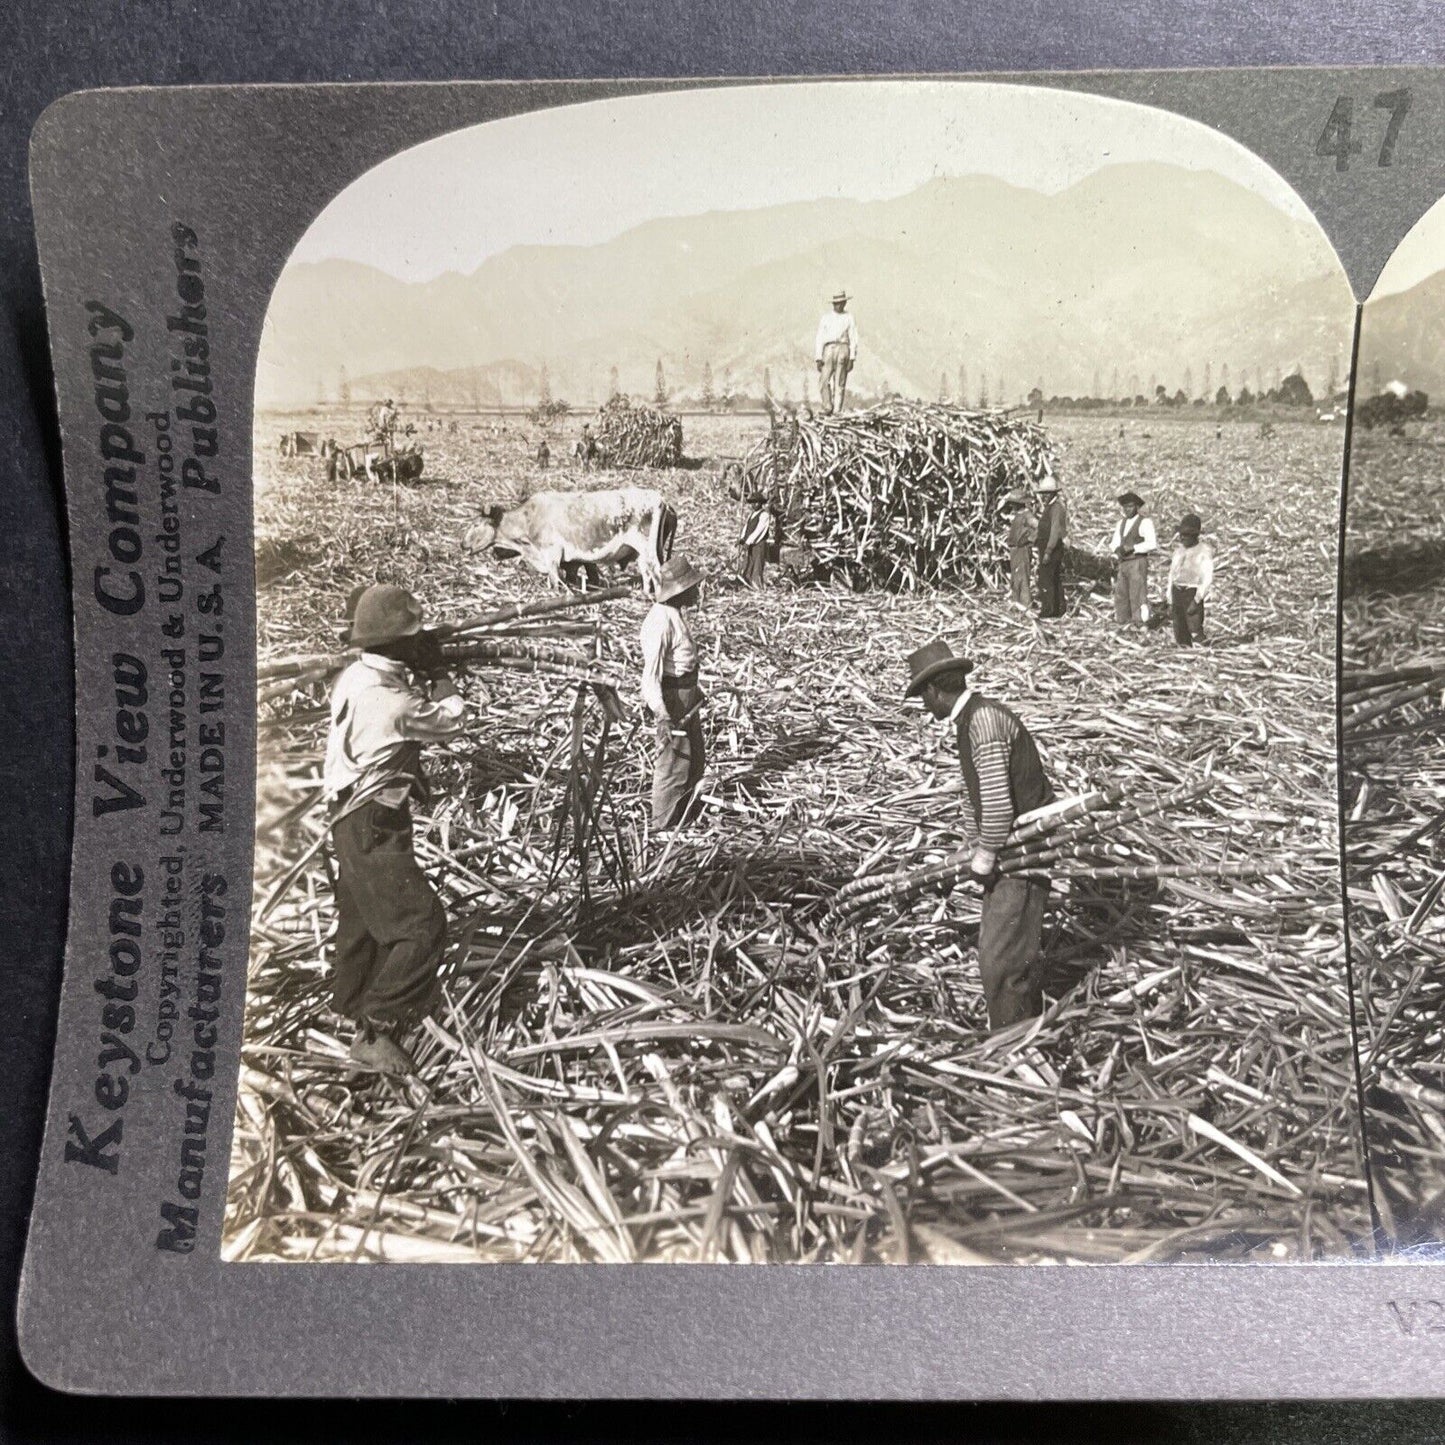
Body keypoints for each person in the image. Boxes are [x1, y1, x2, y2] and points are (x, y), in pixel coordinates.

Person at [323, 584, 483, 1073]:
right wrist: (437, 673)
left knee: (364, 920)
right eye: (415, 637)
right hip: (373, 821)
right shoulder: (395, 704)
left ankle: (347, 1004)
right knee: (421, 925)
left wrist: (418, 663)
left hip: (347, 817)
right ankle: (377, 1027)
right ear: (399, 645)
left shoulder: (354, 676)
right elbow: (454, 720)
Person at [904, 640, 1055, 1030]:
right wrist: (970, 850)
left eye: (924, 696)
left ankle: (1012, 1050)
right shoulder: (970, 720)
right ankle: (1018, 1034)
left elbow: (1000, 806)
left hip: (1024, 853)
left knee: (1000, 961)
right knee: (1003, 954)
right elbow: (977, 799)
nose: (924, 705)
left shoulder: (984, 721)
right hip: (1007, 850)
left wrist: (984, 855)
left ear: (936, 690)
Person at [640, 556, 707, 831]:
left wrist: (695, 689)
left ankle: (684, 816)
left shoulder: (674, 615)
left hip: (686, 697)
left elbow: (680, 664)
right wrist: (662, 716)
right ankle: (662, 826)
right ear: (680, 590)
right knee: (673, 764)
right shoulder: (660, 622)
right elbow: (650, 676)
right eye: (692, 587)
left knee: (695, 759)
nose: (696, 591)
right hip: (672, 702)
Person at [1109, 490, 1157, 626]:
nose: (1127, 510)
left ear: (1136, 507)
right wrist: (1115, 550)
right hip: (1123, 562)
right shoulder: (1121, 524)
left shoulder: (1145, 522)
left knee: (1138, 594)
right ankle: (1123, 622)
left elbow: (1152, 544)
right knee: (1121, 594)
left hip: (1137, 561)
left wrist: (1133, 548)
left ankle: (1140, 623)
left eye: (1130, 506)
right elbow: (1114, 542)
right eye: (1125, 507)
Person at [1167, 513, 1214, 647]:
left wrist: (1197, 599)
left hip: (1191, 592)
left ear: (1195, 536)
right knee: (1180, 630)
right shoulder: (1178, 552)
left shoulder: (1203, 551)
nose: (1182, 537)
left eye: (1187, 534)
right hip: (1177, 591)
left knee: (1194, 628)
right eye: (1181, 534)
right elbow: (1171, 575)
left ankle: (1202, 654)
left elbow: (1207, 578)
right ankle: (1184, 655)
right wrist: (1170, 600)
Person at [814, 289, 858, 415]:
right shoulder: (826, 318)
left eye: (841, 303)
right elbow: (820, 337)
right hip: (828, 348)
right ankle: (827, 406)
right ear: (833, 304)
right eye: (836, 303)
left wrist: (852, 358)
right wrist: (818, 357)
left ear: (844, 303)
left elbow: (853, 337)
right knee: (824, 380)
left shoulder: (849, 317)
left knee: (840, 381)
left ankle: (837, 410)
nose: (839, 305)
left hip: (843, 348)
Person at [1035, 476, 1068, 619]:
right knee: (1053, 578)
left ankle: (1048, 610)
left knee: (1046, 578)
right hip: (1047, 545)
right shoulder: (1051, 507)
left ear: (1054, 493)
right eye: (1044, 493)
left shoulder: (1056, 508)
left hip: (1051, 547)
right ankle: (1058, 609)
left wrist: (1048, 550)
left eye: (1048, 493)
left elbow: (1055, 531)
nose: (1045, 496)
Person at [1002, 490, 1036, 608]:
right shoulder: (1019, 515)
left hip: (1022, 550)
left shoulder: (1027, 515)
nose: (1012, 505)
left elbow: (1039, 528)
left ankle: (1026, 605)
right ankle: (1017, 603)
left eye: (1013, 503)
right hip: (1015, 550)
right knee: (1016, 577)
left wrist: (1029, 539)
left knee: (1023, 578)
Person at [739, 490, 773, 588]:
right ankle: (747, 584)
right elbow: (747, 527)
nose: (754, 505)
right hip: (750, 544)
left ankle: (757, 587)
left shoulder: (764, 515)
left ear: (761, 503)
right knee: (748, 563)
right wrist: (742, 538)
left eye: (757, 502)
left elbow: (759, 530)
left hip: (759, 544)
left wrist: (749, 541)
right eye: (753, 503)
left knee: (757, 566)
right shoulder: (751, 515)